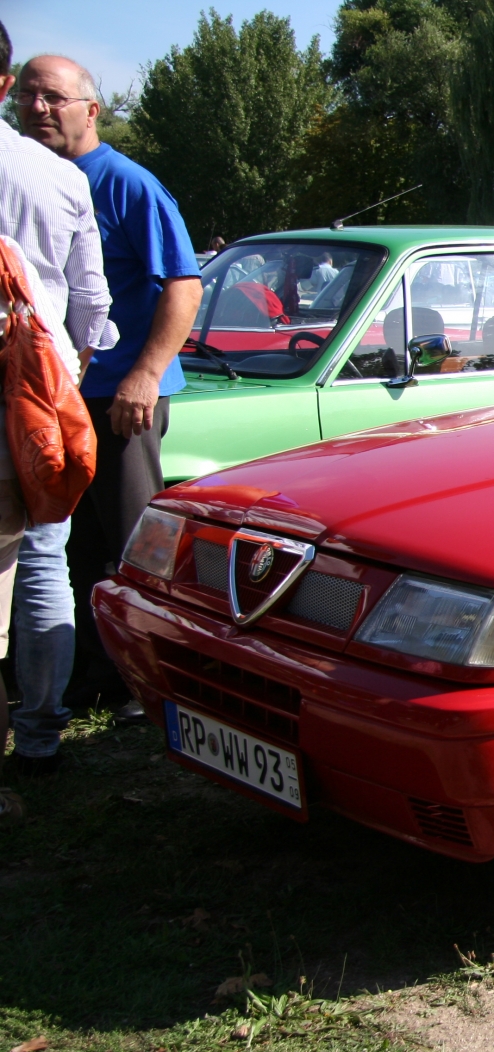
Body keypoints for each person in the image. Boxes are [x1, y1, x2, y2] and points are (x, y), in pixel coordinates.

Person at [18, 54, 202, 726]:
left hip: (122, 399)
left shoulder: (126, 184)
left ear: (90, 110)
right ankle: (92, 676)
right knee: (70, 547)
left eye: (55, 98)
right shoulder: (32, 181)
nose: (39, 109)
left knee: (132, 547)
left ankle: (146, 685)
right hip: (53, 396)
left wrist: (144, 375)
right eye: (29, 97)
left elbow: (184, 285)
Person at [0, 23, 118, 775]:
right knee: (44, 556)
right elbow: (91, 303)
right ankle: (41, 730)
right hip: (35, 394)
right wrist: (67, 367)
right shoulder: (54, 176)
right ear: (6, 87)